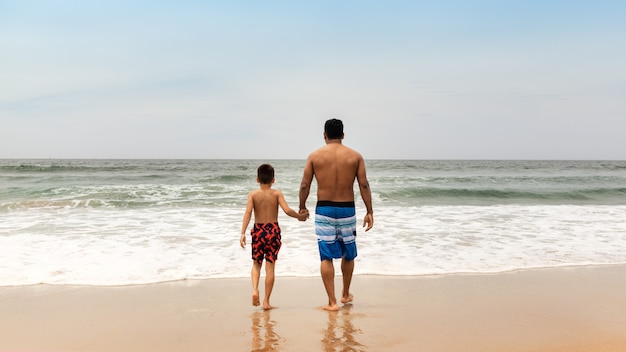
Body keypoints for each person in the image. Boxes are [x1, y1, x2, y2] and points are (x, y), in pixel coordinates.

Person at [299, 118, 374, 311]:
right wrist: (369, 211)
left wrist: (302, 206)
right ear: (342, 135)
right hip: (346, 208)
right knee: (348, 253)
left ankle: (332, 302)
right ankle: (345, 294)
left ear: (324, 135)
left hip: (324, 209)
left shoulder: (314, 156)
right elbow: (363, 184)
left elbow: (305, 184)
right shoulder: (355, 156)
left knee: (326, 256)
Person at [240, 163, 308, 310]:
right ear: (273, 180)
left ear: (257, 179)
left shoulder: (253, 194)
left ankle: (254, 290)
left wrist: (242, 233)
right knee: (270, 267)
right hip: (272, 231)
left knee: (256, 264)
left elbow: (248, 213)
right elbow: (287, 210)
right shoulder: (277, 193)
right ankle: (266, 302)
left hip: (258, 230)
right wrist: (299, 216)